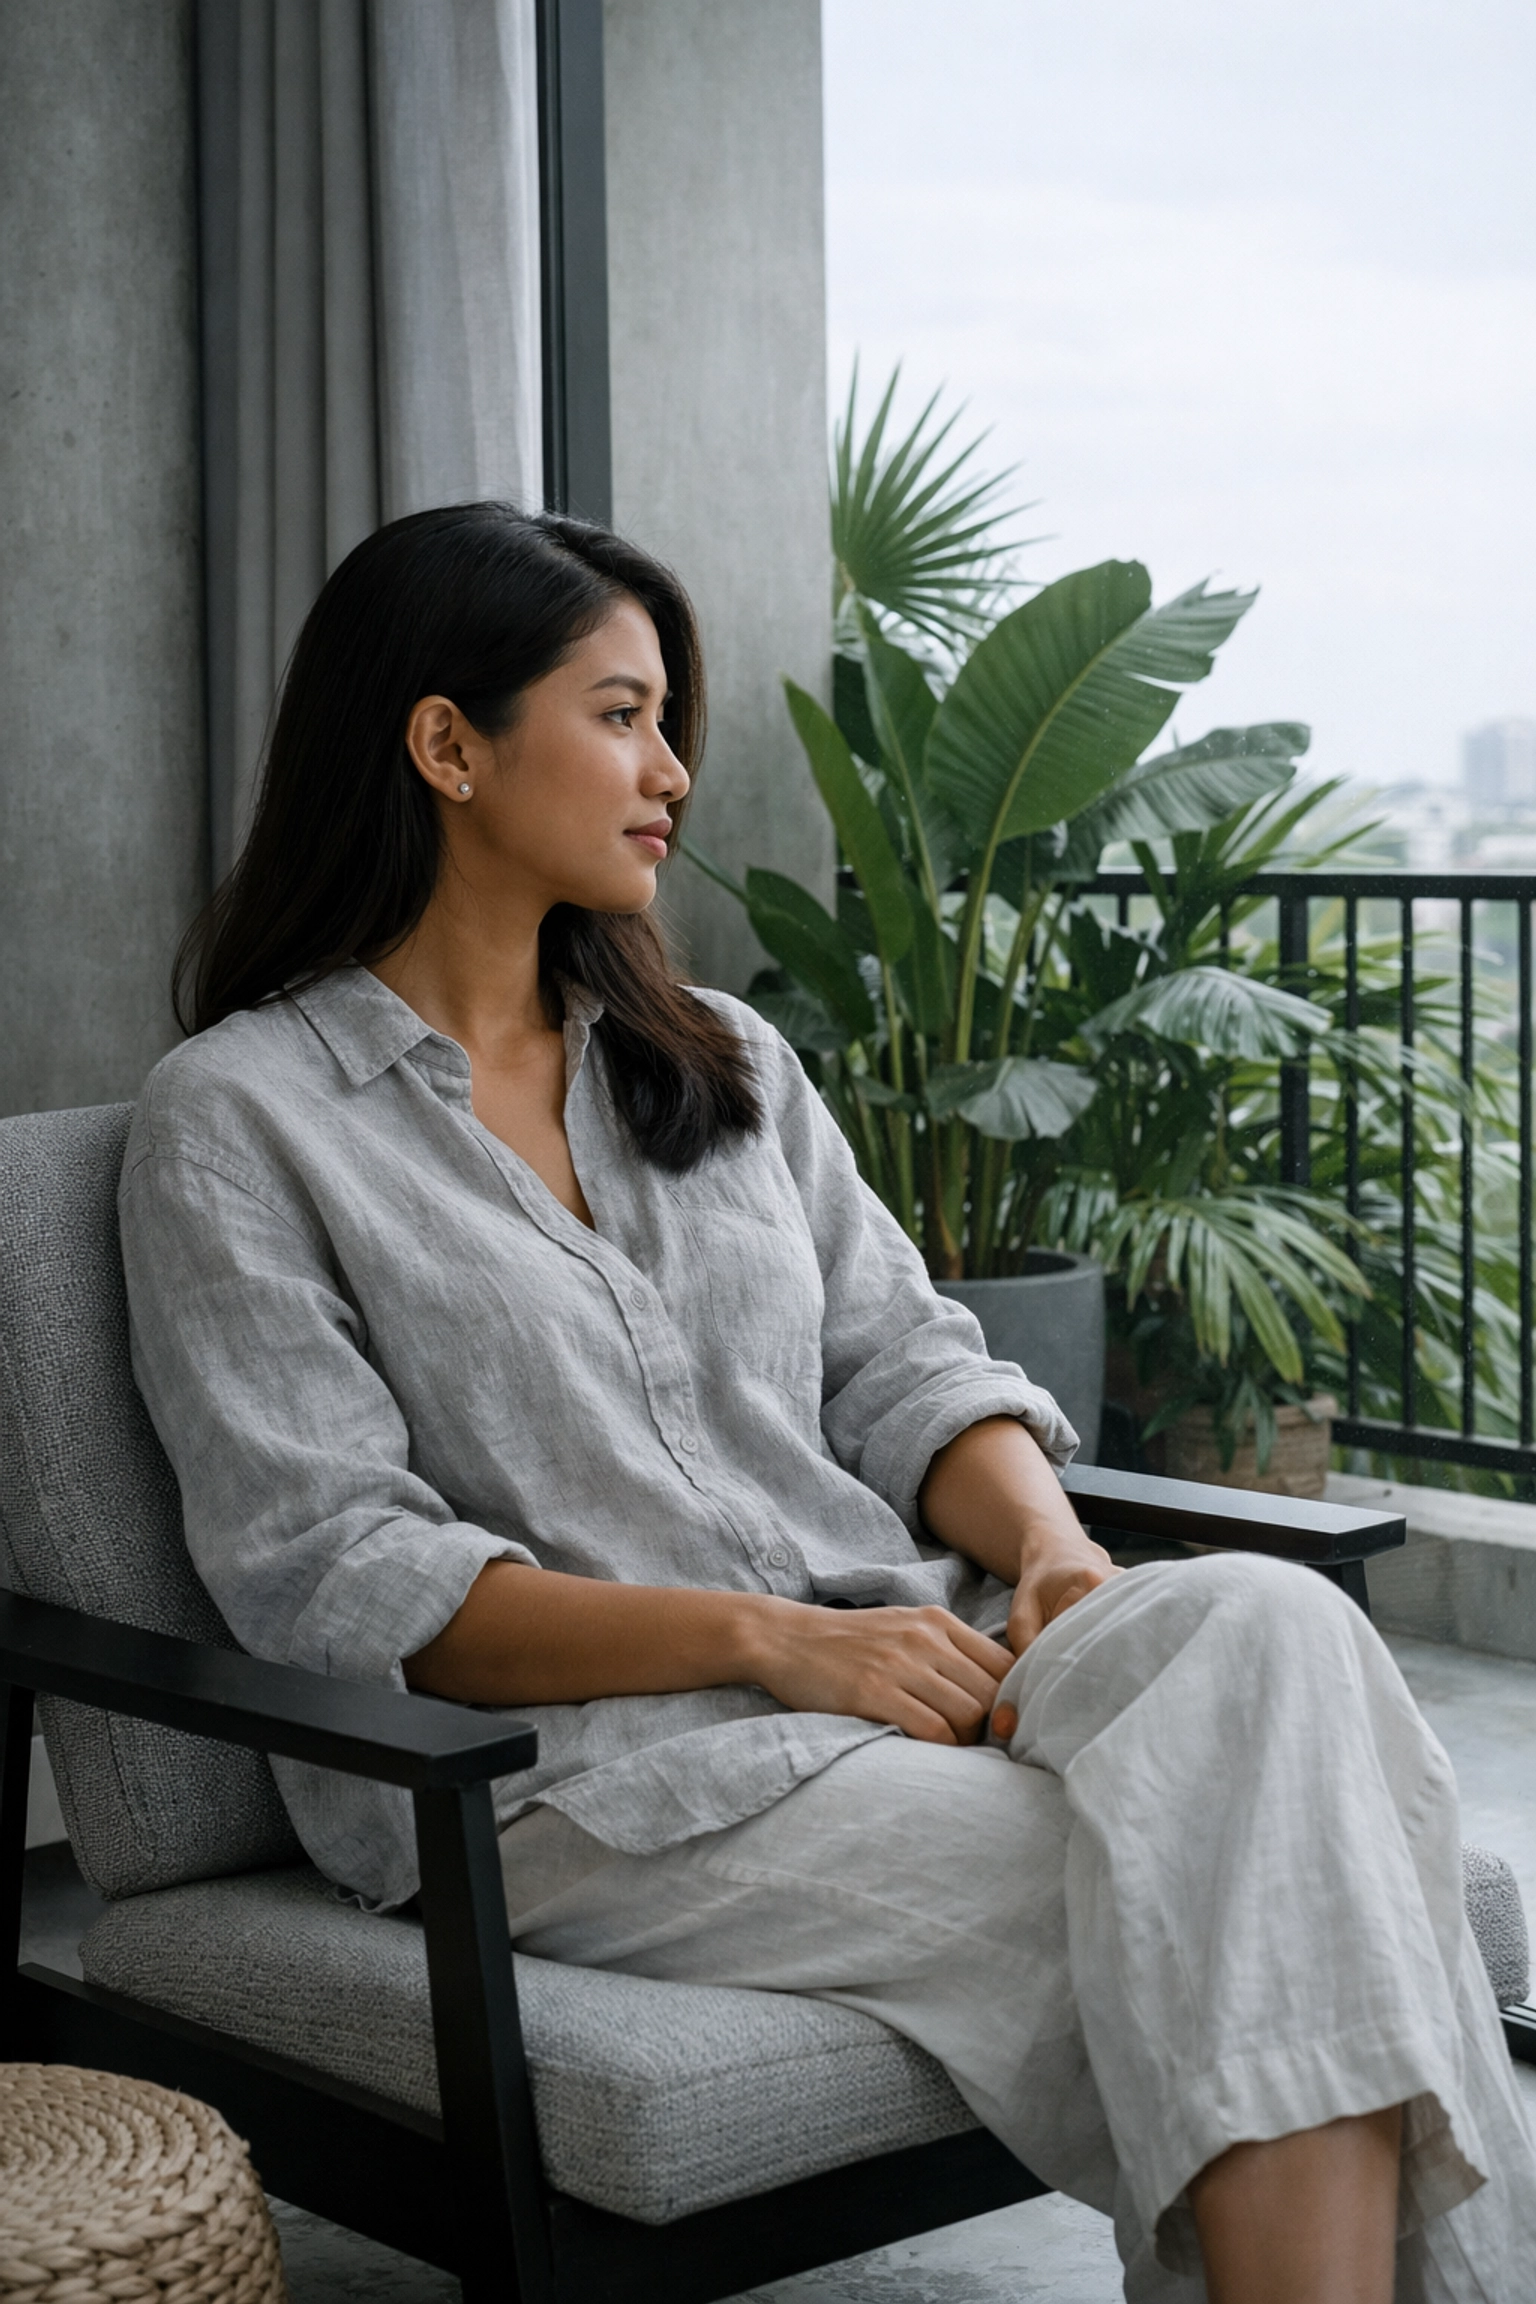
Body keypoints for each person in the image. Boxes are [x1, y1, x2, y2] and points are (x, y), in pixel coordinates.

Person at [120, 503, 1535, 2303]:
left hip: (927, 1672)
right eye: (623, 714)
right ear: (447, 744)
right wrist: (778, 1641)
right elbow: (343, 1580)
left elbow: (902, 1361)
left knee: (1270, 1633)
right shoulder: (239, 1123)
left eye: (665, 718)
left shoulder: (719, 1059)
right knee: (1280, 1881)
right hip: (604, 1790)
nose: (675, 767)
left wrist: (1054, 1556)